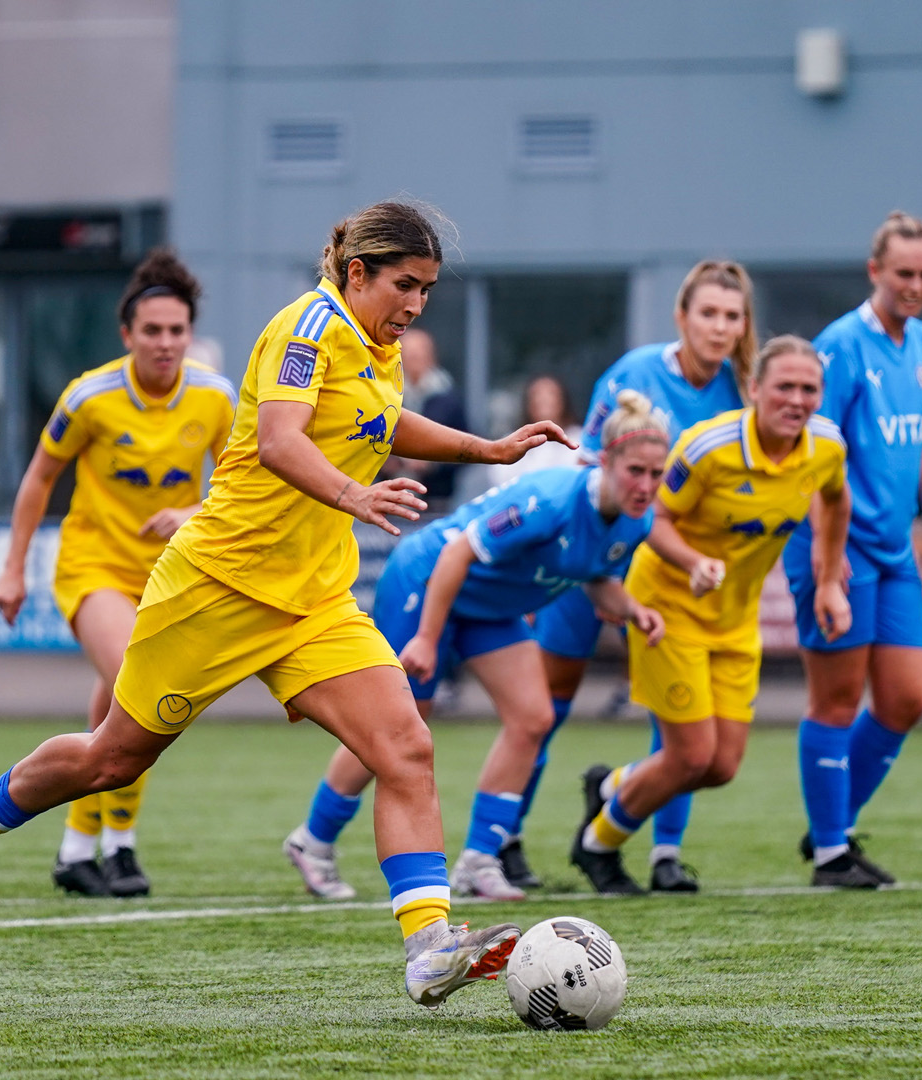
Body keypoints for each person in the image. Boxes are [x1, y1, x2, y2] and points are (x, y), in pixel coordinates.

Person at [0, 200, 571, 1009]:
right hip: (218, 587)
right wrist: (355, 493)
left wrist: (485, 449)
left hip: (314, 599)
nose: (417, 305)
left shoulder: (378, 344)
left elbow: (383, 421)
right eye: (406, 285)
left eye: (427, 289)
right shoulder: (307, 330)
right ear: (358, 273)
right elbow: (284, 441)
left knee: (405, 747)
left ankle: (430, 945)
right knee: (113, 758)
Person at [284, 390, 673, 902]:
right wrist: (426, 636)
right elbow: (457, 553)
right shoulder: (551, 500)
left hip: (489, 606)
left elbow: (595, 573)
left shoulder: (637, 519)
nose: (645, 485)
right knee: (398, 724)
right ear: (606, 459)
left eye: (656, 473)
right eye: (635, 471)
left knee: (533, 717)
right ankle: (313, 840)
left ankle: (479, 860)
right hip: (427, 579)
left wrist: (631, 609)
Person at [0, 249, 235, 899]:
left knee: (129, 700)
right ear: (126, 335)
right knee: (138, 679)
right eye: (151, 331)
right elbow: (40, 476)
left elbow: (244, 482)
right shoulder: (90, 396)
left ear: (190, 334)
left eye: (176, 331)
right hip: (92, 567)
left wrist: (192, 509)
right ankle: (112, 847)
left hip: (168, 575)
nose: (165, 343)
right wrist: (12, 568)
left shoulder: (214, 396)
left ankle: (85, 849)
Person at [572, 335, 850, 894]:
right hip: (667, 606)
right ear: (753, 390)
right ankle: (596, 845)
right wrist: (696, 562)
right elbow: (656, 517)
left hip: (734, 619)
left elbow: (836, 500)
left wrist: (828, 582)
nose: (797, 400)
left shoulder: (826, 446)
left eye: (809, 388)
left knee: (720, 766)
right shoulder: (707, 447)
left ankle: (613, 786)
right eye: (784, 387)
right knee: (690, 755)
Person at [522, 259, 756, 894]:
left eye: (731, 317)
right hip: (595, 560)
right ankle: (504, 842)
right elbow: (590, 465)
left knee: (678, 721)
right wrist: (599, 571)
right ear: (681, 316)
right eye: (707, 313)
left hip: (673, 573)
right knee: (546, 705)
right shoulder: (635, 374)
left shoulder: (743, 392)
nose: (719, 326)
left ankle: (664, 853)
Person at [785, 211, 922, 886]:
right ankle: (832, 851)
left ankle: (830, 822)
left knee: (906, 700)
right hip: (839, 547)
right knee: (837, 698)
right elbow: (817, 457)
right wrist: (830, 561)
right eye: (904, 273)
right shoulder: (840, 346)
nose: (916, 285)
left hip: (894, 550)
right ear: (875, 271)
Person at [386, 329, 469, 502]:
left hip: (437, 498)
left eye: (418, 355)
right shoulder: (387, 395)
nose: (413, 360)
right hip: (389, 494)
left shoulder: (449, 400)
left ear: (431, 357)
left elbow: (465, 447)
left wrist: (433, 464)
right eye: (409, 355)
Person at [487, 375, 580, 486]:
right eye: (537, 395)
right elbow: (500, 479)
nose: (543, 400)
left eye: (550, 394)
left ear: (563, 400)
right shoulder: (512, 440)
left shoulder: (579, 438)